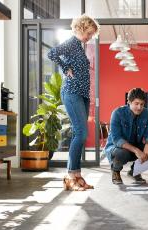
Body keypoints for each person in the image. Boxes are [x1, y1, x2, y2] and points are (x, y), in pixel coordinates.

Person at [47, 14, 100, 191]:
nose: (90, 37)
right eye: (90, 33)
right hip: (71, 93)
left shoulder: (79, 46)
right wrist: (64, 68)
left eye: (92, 34)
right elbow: (52, 53)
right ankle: (71, 175)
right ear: (82, 28)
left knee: (81, 134)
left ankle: (76, 176)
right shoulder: (71, 43)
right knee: (80, 133)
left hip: (82, 94)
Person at [104, 88, 148, 185]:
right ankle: (115, 171)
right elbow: (117, 139)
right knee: (122, 153)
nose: (139, 107)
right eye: (136, 104)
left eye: (142, 104)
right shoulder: (117, 113)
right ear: (129, 102)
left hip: (136, 145)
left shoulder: (145, 112)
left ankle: (134, 171)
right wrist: (137, 151)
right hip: (118, 148)